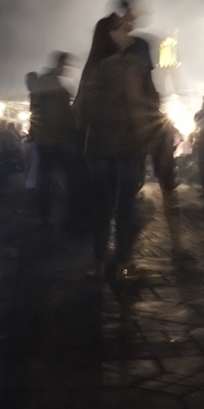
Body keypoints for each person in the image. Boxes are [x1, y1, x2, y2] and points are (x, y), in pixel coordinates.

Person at [78, 14, 154, 280]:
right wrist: (146, 136)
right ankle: (123, 265)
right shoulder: (129, 64)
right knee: (124, 207)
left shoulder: (91, 68)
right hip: (125, 143)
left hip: (96, 145)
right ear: (111, 34)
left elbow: (79, 109)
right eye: (123, 29)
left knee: (102, 207)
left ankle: (99, 264)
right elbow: (136, 105)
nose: (129, 32)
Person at [29, 51, 89, 230]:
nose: (67, 70)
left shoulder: (47, 83)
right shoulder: (50, 84)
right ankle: (61, 217)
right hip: (56, 139)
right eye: (66, 66)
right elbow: (46, 112)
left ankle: (46, 216)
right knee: (66, 178)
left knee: (47, 180)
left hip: (53, 139)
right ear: (60, 65)